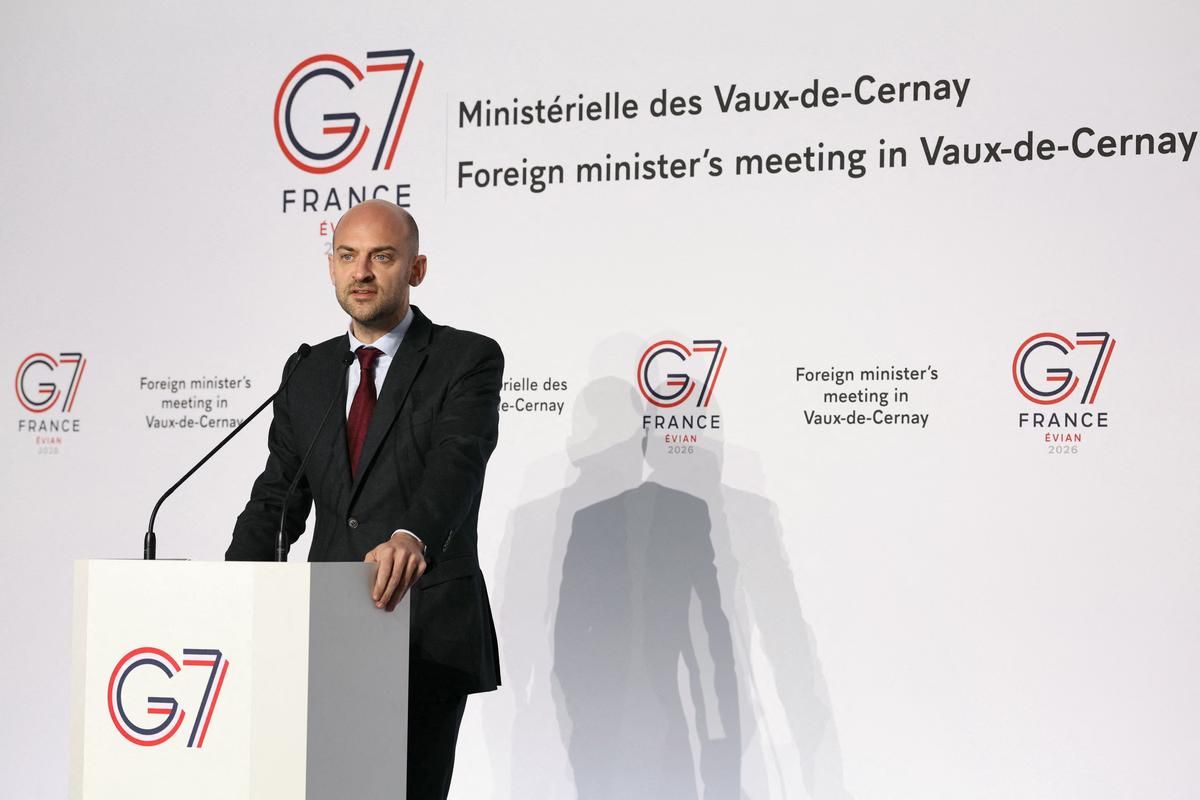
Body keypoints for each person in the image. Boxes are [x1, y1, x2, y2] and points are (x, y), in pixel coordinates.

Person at [226, 199, 503, 800]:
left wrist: (411, 535)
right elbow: (279, 495)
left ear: (416, 269)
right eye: (348, 256)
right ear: (331, 267)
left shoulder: (465, 358)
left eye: (382, 257)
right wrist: (232, 589)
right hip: (323, 629)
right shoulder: (308, 370)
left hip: (422, 624)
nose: (362, 272)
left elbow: (458, 462)